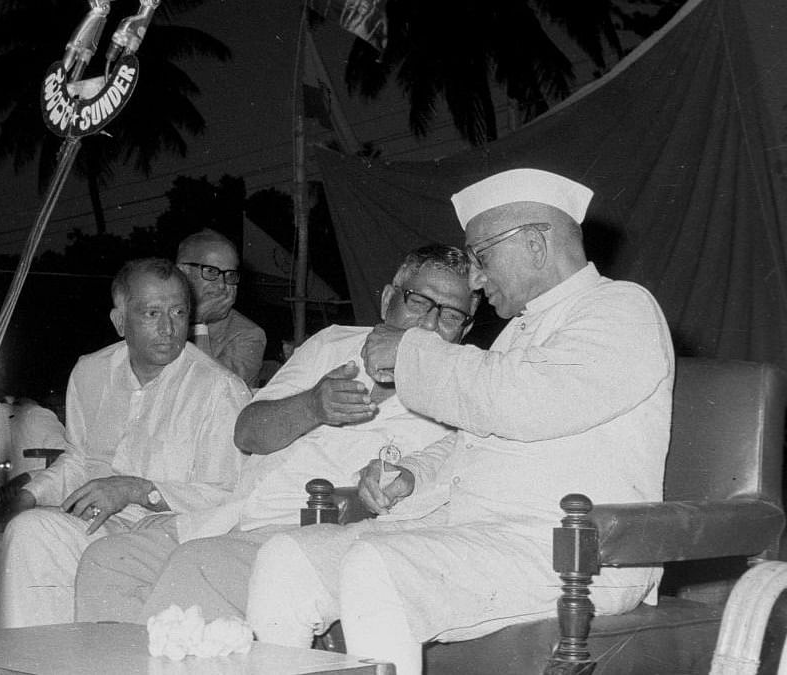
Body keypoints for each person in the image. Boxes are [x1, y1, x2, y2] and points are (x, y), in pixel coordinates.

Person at [246, 168, 674, 674]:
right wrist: (412, 476)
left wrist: (408, 351)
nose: (473, 277)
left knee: (376, 568)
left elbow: (519, 401)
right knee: (287, 559)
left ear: (536, 244)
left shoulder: (621, 309)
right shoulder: (521, 331)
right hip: (483, 537)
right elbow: (468, 445)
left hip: (574, 552)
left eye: (481, 256)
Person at [75, 245, 477, 624]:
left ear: (466, 328)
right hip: (235, 516)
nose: (428, 323)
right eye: (418, 301)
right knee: (107, 562)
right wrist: (312, 406)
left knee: (199, 568)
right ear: (389, 297)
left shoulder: (464, 390)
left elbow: (442, 482)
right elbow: (247, 433)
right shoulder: (332, 343)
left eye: (451, 315)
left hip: (314, 538)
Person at [0, 257, 251, 628]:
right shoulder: (90, 372)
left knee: (99, 555)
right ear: (120, 322)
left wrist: (136, 490)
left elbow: (228, 494)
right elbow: (79, 459)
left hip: (168, 536)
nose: (168, 328)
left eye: (178, 312)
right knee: (30, 529)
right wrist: (29, 496)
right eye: (151, 314)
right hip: (98, 525)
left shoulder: (218, 389)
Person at [175, 229, 266, 388]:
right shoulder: (163, 317)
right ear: (183, 272)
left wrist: (199, 323)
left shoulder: (248, 334)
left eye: (230, 274)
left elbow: (211, 388)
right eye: (211, 272)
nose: (222, 285)